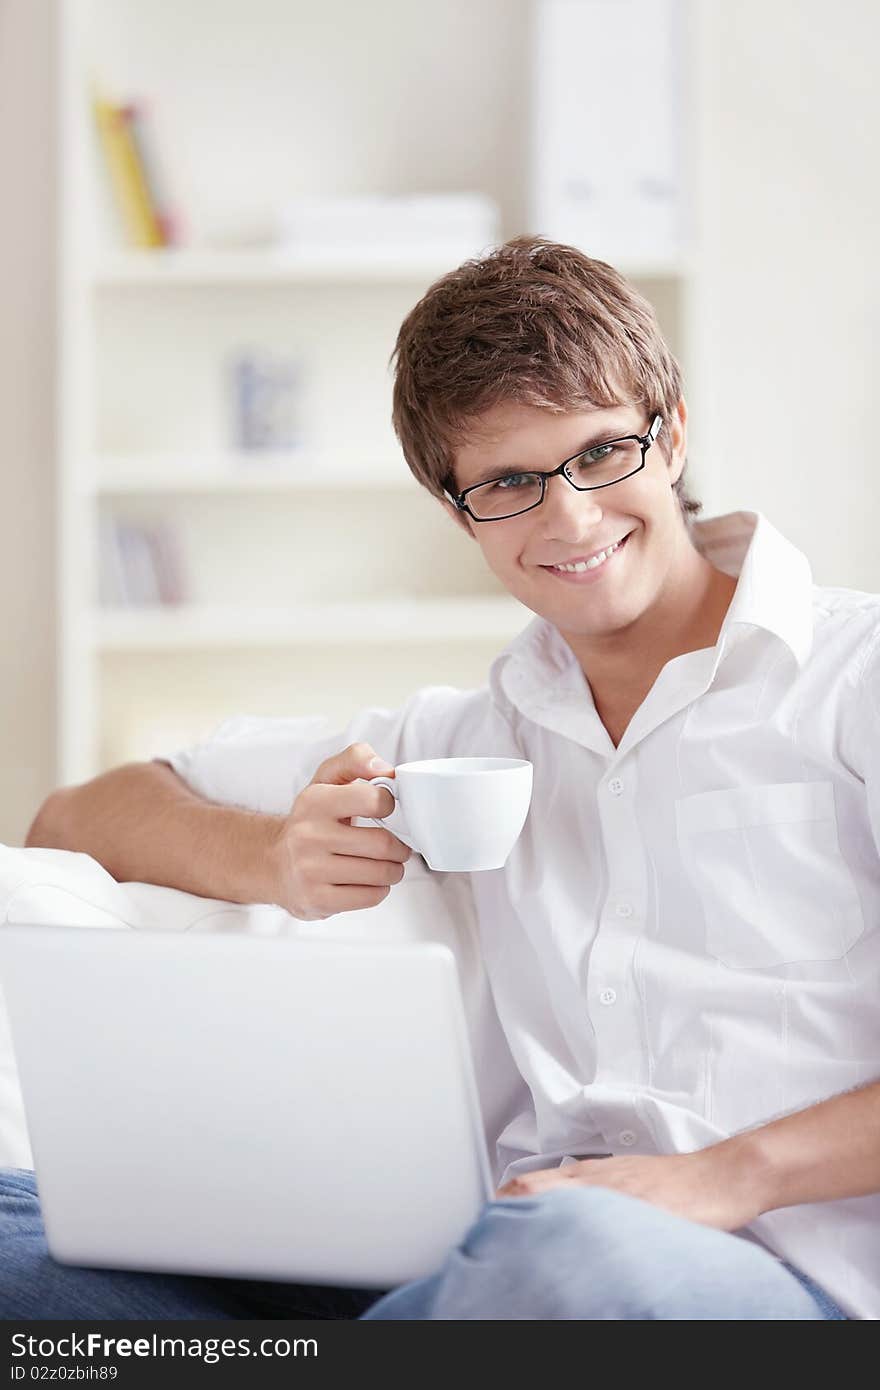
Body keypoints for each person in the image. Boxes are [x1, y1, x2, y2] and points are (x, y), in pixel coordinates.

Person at [5, 237, 877, 1320]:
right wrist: (275, 857)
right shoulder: (463, 736)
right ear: (455, 507)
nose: (569, 517)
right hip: (490, 1255)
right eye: (509, 482)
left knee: (574, 1256)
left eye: (602, 452)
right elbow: (78, 812)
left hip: (762, 1279)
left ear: (673, 434)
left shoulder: (855, 677)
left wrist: (717, 1177)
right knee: (16, 1238)